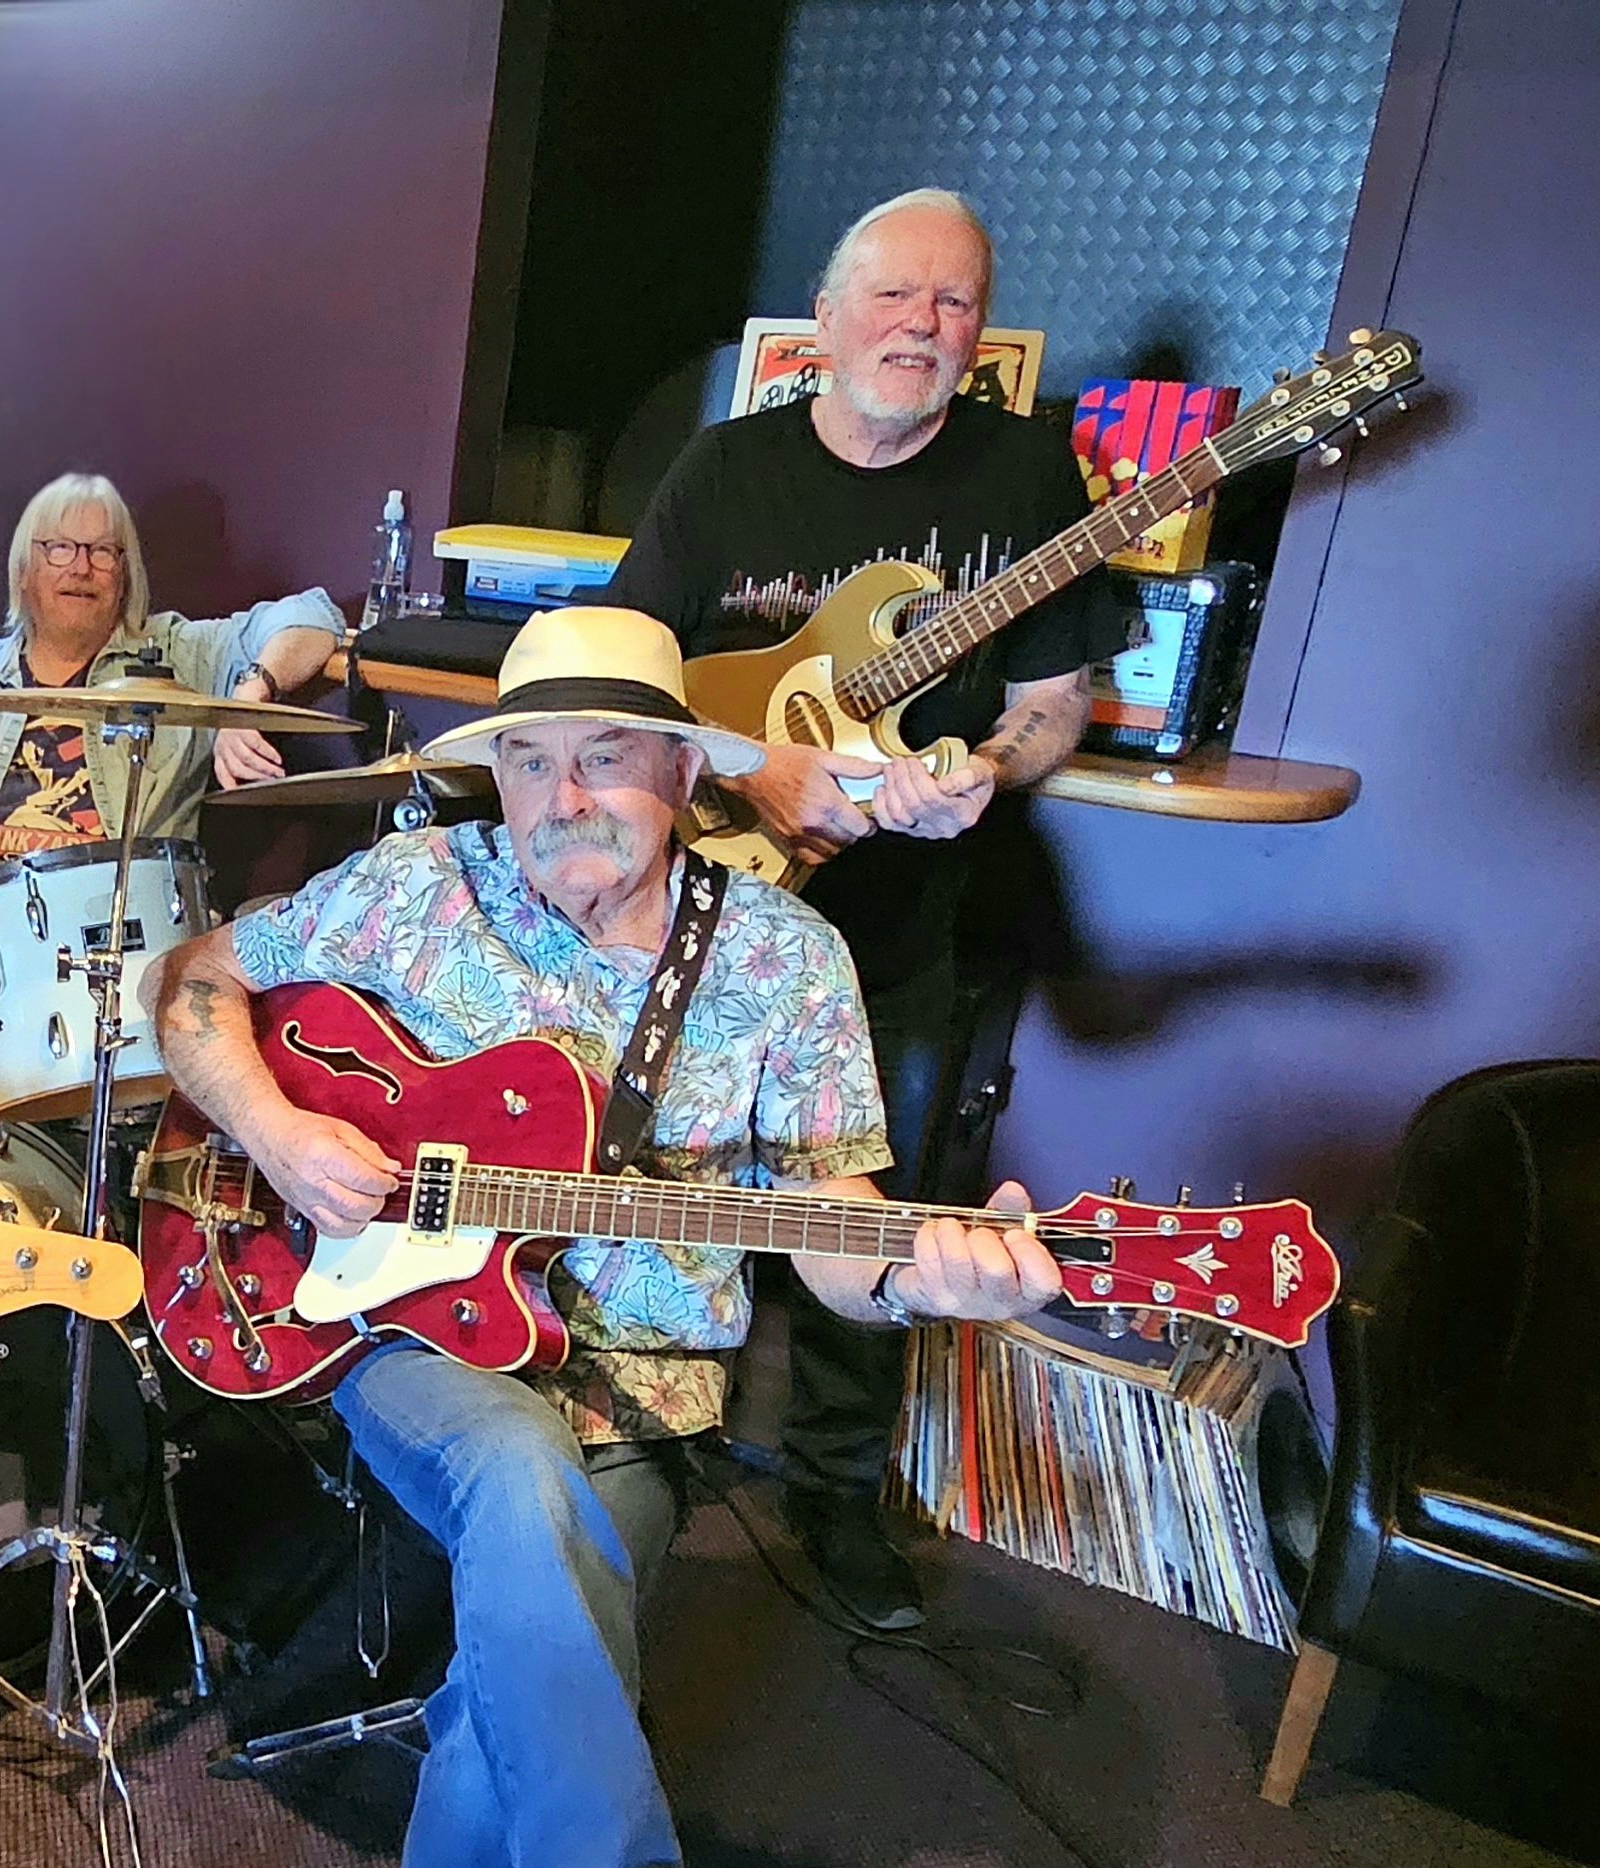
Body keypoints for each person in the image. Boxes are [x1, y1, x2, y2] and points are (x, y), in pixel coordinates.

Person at [148, 607, 1063, 1868]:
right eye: (529, 759)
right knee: (524, 1485)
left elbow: (835, 1234)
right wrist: (276, 1136)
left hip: (640, 1397)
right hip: (407, 1342)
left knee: (517, 1681)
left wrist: (921, 1277)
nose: (562, 793)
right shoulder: (418, 885)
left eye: (606, 754)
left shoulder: (786, 960)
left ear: (686, 770)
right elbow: (195, 983)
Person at [595, 188, 1125, 1630]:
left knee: (877, 1212)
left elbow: (1054, 700)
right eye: (895, 297)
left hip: (896, 927)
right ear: (825, 321)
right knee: (625, 1170)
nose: (923, 327)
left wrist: (990, 777)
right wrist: (755, 767)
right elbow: (622, 681)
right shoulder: (723, 471)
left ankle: (833, 1502)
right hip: (708, 902)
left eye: (953, 305)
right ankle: (627, 1441)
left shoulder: (1027, 481)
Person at [0, 471, 346, 1024]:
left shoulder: (178, 657)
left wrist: (249, 696)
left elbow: (315, 616)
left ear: (125, 574)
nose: (81, 567)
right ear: (24, 569)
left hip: (109, 967)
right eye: (60, 548)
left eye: (102, 550)